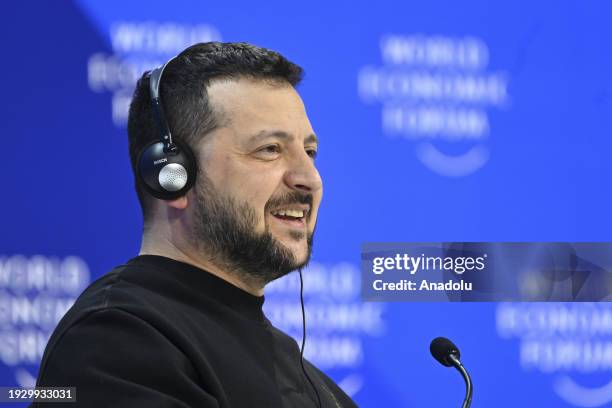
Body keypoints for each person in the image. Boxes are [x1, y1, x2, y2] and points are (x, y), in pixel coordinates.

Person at [34, 42, 357, 407]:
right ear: (173, 176)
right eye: (270, 149)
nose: (308, 178)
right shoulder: (115, 340)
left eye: (309, 152)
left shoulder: (314, 383)